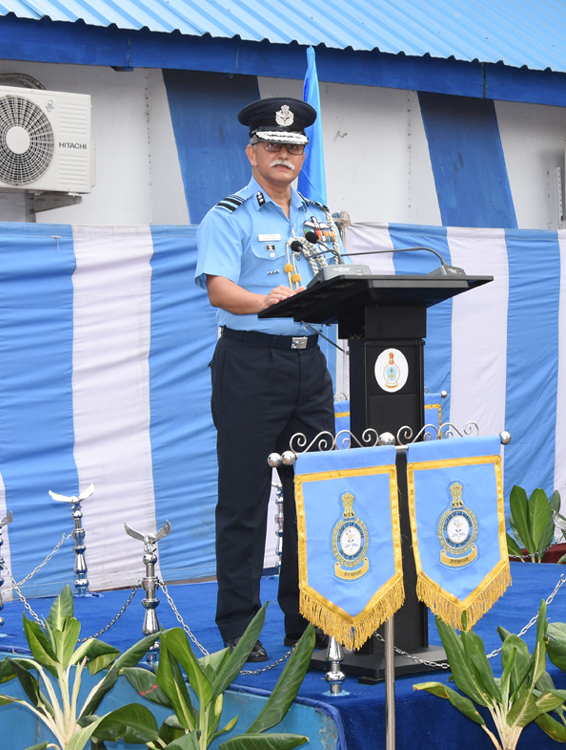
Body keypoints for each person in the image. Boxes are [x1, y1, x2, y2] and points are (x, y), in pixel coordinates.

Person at [195, 97, 335, 661]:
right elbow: (219, 290)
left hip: (310, 366)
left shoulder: (318, 217)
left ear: (303, 155)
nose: (284, 155)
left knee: (311, 499)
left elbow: (335, 277)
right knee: (245, 502)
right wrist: (265, 302)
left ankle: (306, 623)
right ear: (252, 153)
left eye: (295, 147)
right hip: (250, 364)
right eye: (274, 146)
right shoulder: (228, 216)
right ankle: (239, 627)